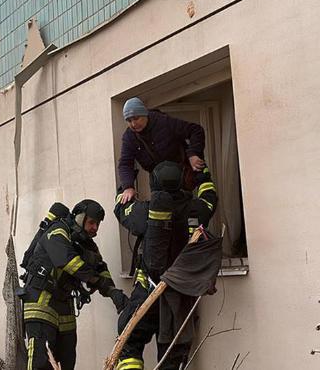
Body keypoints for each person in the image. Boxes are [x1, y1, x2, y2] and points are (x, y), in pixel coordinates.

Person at [113, 161, 218, 370]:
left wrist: (125, 186)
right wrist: (203, 175)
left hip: (148, 294)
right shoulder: (196, 210)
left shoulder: (145, 211)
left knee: (129, 343)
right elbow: (210, 199)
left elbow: (122, 209)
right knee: (171, 353)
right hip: (179, 298)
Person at [20, 199, 129, 370]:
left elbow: (101, 268)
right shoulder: (58, 231)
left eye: (98, 224)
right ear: (80, 217)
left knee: (67, 360)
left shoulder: (88, 245)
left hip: (64, 304)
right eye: (92, 222)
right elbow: (67, 260)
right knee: (41, 362)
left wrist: (113, 291)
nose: (95, 228)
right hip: (41, 300)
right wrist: (97, 281)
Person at [118, 97, 206, 204]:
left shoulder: (164, 122)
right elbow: (125, 163)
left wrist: (193, 154)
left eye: (136, 118)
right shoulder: (129, 137)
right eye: (129, 120)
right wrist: (128, 187)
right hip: (158, 181)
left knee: (189, 207)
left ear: (145, 114)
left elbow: (195, 130)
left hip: (183, 174)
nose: (133, 124)